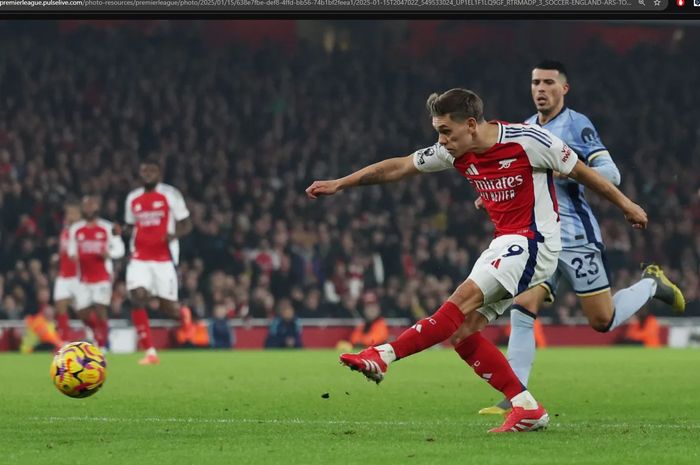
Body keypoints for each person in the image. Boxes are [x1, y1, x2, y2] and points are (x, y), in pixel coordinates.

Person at [305, 88, 648, 433]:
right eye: (438, 131)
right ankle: (526, 407)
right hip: (506, 243)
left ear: (471, 124)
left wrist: (627, 205)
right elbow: (400, 166)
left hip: (534, 242)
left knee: (458, 301)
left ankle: (383, 355)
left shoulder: (529, 141)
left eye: (445, 131)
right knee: (465, 332)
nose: (441, 140)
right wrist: (340, 183)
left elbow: (583, 172)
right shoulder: (454, 151)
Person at [478, 61, 685, 416]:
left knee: (601, 321)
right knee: (522, 308)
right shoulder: (525, 129)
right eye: (535, 83)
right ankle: (516, 395)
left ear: (564, 89)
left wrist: (563, 168)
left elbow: (611, 173)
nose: (540, 89)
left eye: (547, 83)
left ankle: (651, 284)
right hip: (540, 237)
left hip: (576, 237)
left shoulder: (577, 125)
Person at [124, 158, 193, 365]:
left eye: (151, 171)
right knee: (137, 297)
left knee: (168, 309)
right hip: (139, 258)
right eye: (144, 171)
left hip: (164, 258)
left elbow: (186, 223)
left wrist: (174, 235)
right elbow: (130, 226)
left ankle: (182, 313)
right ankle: (150, 352)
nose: (147, 174)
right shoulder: (132, 198)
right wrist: (121, 231)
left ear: (159, 174)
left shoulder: (171, 194)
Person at [68, 195, 125, 350]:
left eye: (91, 205)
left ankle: (103, 345)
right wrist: (73, 255)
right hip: (83, 278)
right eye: (86, 205)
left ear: (97, 208)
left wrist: (110, 254)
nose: (89, 208)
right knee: (82, 313)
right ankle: (100, 331)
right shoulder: (75, 229)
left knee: (100, 308)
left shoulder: (108, 227)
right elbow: (71, 250)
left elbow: (120, 249)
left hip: (102, 277)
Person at [53, 200, 82, 340]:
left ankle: (99, 337)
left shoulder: (81, 231)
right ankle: (64, 341)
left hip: (78, 277)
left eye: (73, 213)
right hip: (64, 276)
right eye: (68, 213)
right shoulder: (64, 230)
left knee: (84, 312)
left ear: (79, 215)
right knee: (60, 306)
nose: (69, 215)